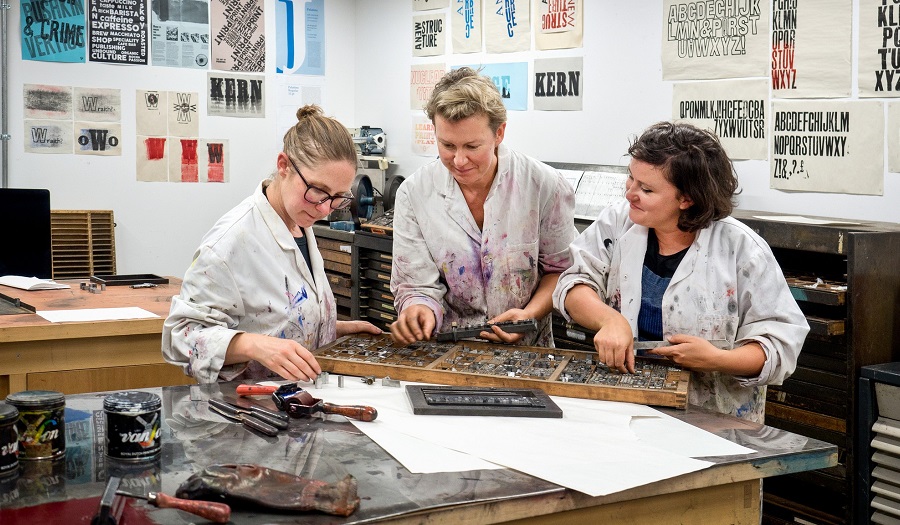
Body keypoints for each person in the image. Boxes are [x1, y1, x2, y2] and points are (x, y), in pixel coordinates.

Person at [552, 121, 809, 423]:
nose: (630, 194)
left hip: (715, 418)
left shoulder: (741, 249)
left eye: (646, 189)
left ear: (687, 199)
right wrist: (610, 320)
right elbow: (574, 283)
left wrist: (718, 360)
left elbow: (780, 345)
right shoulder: (619, 223)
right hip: (624, 404)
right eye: (630, 179)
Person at [162, 105, 381, 383]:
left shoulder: (300, 222)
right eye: (317, 191)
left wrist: (331, 329)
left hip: (297, 401)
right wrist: (254, 346)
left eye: (337, 197)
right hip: (246, 411)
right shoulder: (231, 241)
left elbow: (271, 319)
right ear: (284, 166)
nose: (326, 209)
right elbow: (180, 338)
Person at [390, 67, 576, 347]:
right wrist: (418, 310)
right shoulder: (415, 194)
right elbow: (416, 286)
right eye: (447, 145)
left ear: (499, 133)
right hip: (449, 352)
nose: (460, 160)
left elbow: (560, 270)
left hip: (527, 351)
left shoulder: (543, 185)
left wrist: (528, 314)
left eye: (472, 146)